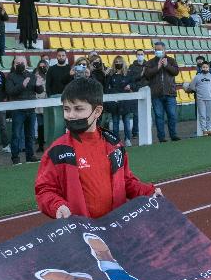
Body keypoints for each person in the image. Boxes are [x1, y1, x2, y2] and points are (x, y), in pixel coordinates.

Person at [35, 77, 158, 219]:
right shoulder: (57, 150)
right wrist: (57, 206)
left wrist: (149, 192)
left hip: (116, 228)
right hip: (80, 233)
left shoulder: (114, 145)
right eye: (66, 109)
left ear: (98, 111)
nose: (71, 115)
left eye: (78, 109)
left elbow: (127, 182)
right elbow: (44, 190)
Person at [4, 55, 42, 165]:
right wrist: (22, 85)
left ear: (26, 64)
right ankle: (15, 157)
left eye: (22, 63)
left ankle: (30, 156)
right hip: (18, 110)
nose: (20, 65)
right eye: (18, 63)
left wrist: (39, 85)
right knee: (16, 134)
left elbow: (38, 90)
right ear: (14, 65)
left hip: (31, 110)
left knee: (30, 134)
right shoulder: (10, 77)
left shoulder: (31, 75)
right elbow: (10, 91)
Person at [143, 41, 180, 142]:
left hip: (170, 93)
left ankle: (173, 135)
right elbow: (147, 74)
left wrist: (167, 65)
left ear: (164, 50)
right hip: (156, 94)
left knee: (172, 115)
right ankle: (161, 137)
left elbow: (176, 72)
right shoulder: (150, 62)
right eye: (156, 49)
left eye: (159, 49)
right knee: (159, 116)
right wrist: (158, 67)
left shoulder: (171, 60)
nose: (157, 51)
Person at [188, 62, 211, 136]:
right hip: (201, 99)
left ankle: (209, 130)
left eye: (206, 67)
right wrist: (198, 90)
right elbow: (191, 86)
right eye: (203, 67)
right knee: (202, 115)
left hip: (210, 98)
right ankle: (204, 130)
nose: (205, 68)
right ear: (201, 68)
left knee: (209, 115)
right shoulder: (197, 77)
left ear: (209, 68)